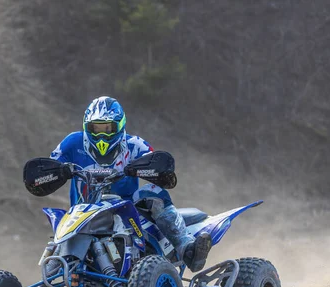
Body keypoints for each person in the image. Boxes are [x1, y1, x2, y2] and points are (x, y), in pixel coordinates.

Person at [51, 96, 211, 272]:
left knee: (152, 191)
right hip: (81, 214)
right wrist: (60, 170)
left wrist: (138, 169)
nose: (102, 134)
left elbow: (158, 166)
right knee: (56, 240)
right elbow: (51, 164)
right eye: (96, 128)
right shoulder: (73, 143)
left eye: (108, 128)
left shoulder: (135, 145)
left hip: (126, 211)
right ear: (87, 126)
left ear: (119, 125)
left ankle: (186, 247)